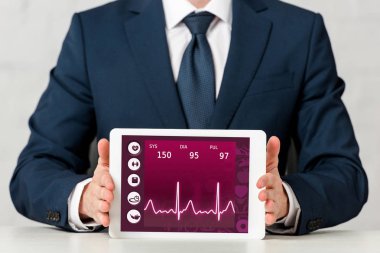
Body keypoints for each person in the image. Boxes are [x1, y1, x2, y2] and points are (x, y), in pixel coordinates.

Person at [10, 0, 368, 235]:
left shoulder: (298, 33)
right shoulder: (95, 33)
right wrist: (86, 198)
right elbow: (35, 168)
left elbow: (344, 173)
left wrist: (286, 199)